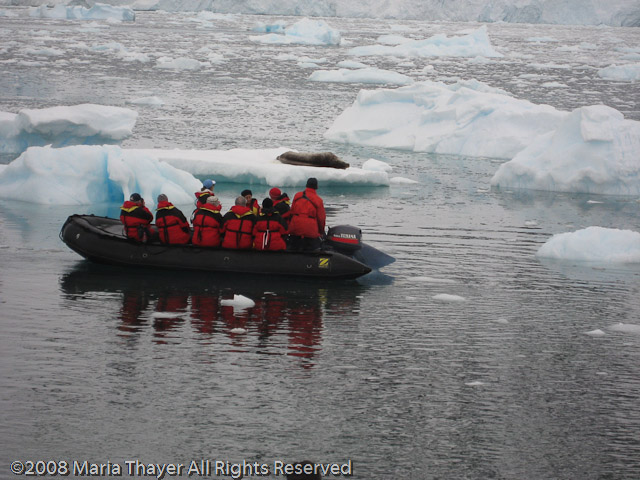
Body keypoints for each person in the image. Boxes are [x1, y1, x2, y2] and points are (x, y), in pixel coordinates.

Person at [287, 178, 326, 251]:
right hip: (310, 230)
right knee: (313, 249)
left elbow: (291, 212)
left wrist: (290, 226)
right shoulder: (318, 200)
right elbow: (321, 219)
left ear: (306, 185)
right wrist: (321, 232)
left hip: (295, 227)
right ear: (316, 186)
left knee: (293, 247)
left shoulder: (297, 195)